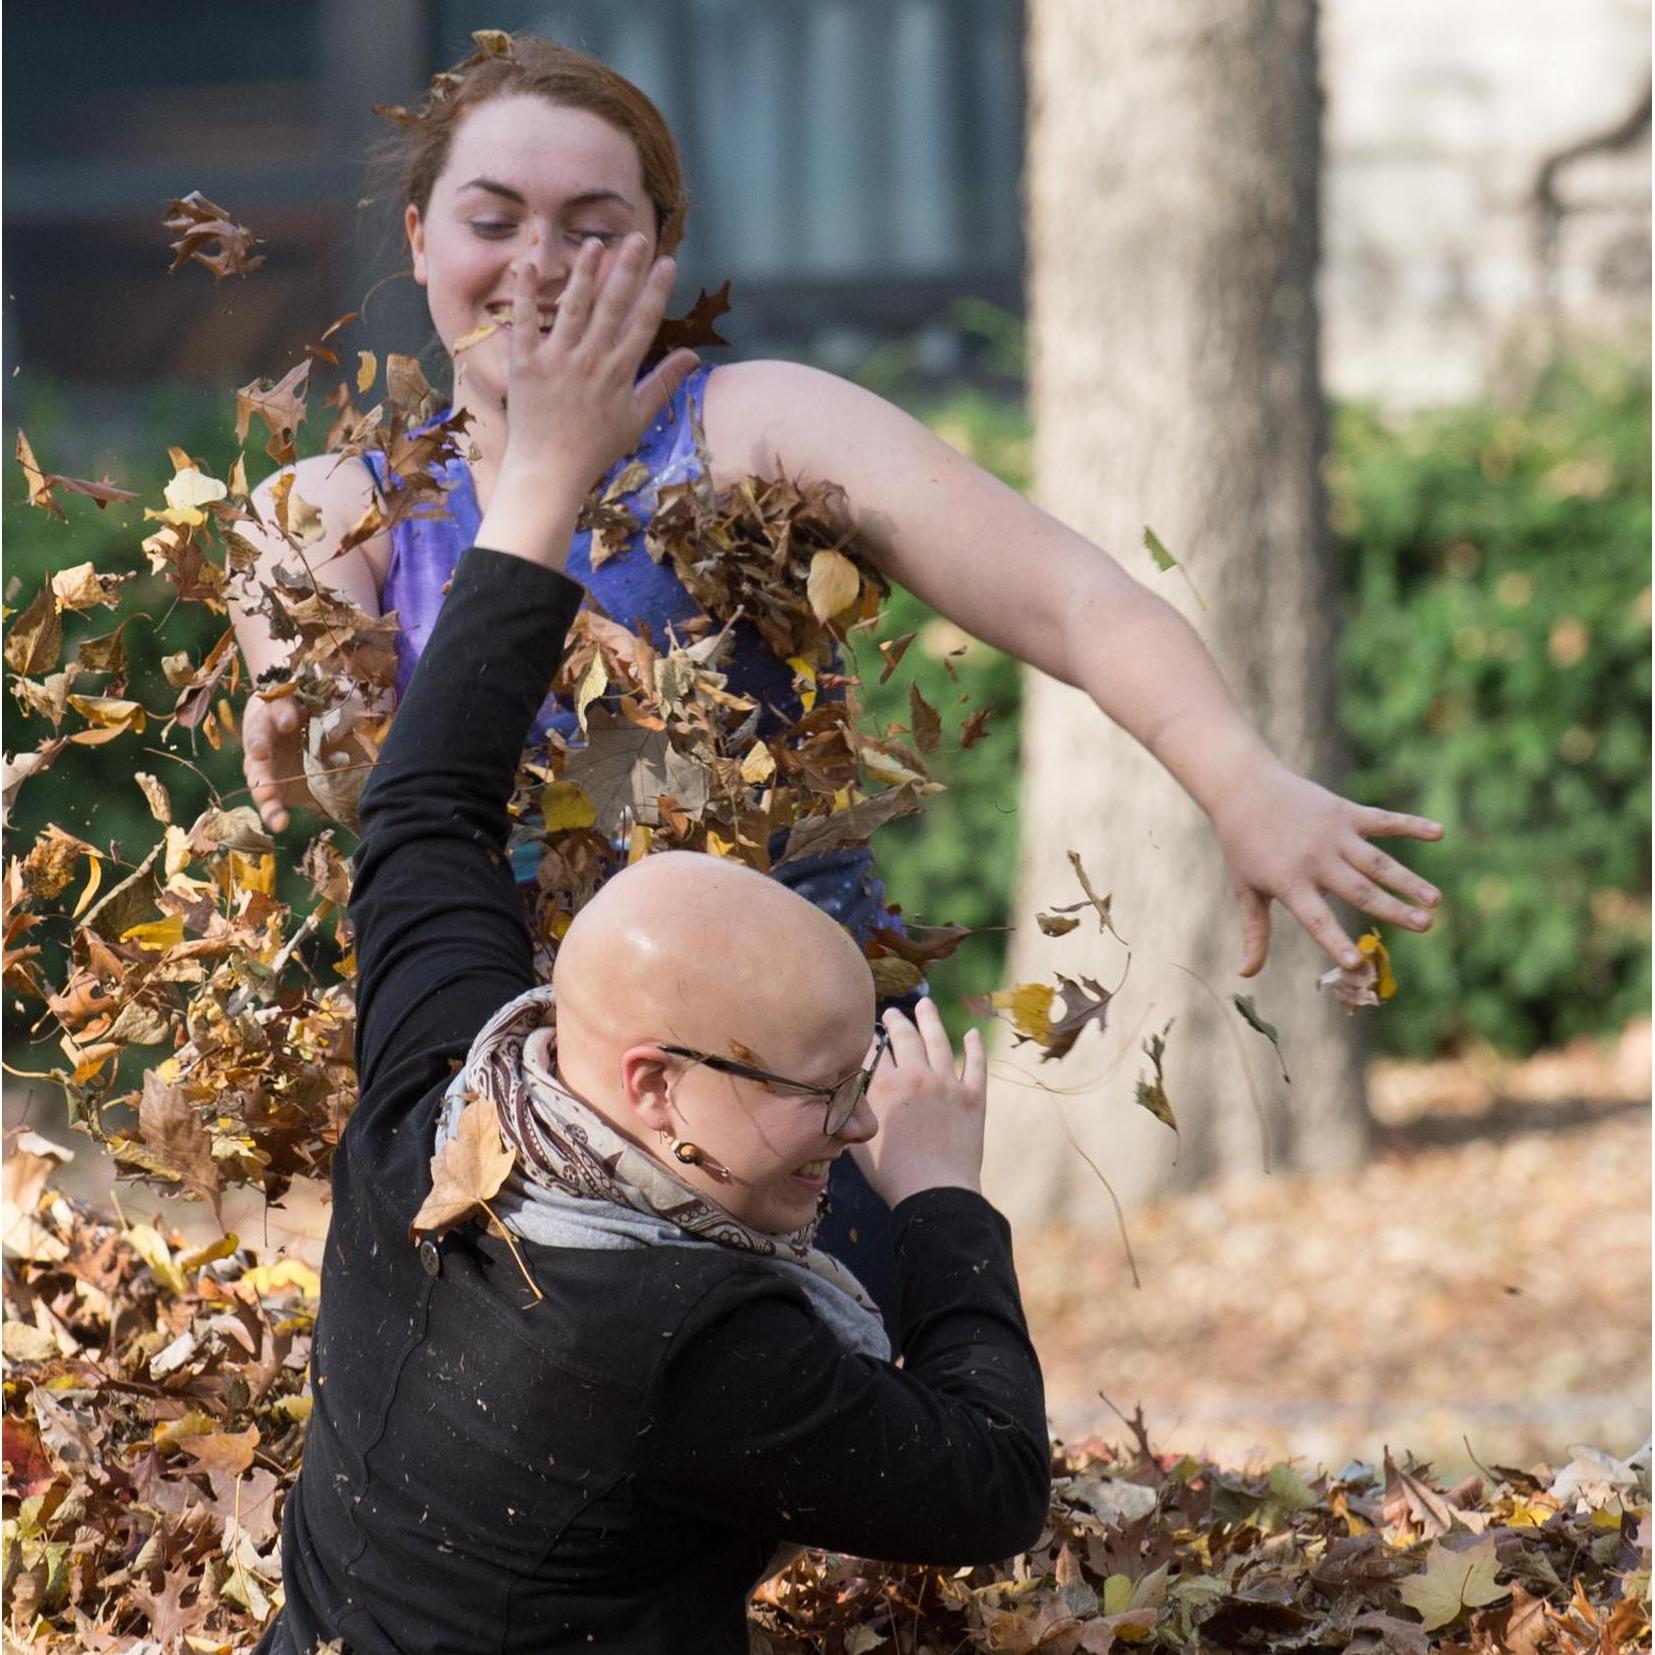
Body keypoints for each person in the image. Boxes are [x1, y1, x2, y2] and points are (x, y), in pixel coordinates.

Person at [227, 36, 1444, 1295]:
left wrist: (1237, 778)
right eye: (494, 220)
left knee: (844, 1455)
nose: (537, 265)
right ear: (421, 238)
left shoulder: (750, 431)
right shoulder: (321, 507)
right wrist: (304, 714)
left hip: (785, 1104)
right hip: (503, 1113)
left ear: (658, 256)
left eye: (592, 227)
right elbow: (341, 738)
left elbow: (1078, 598)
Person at [256, 233, 1049, 1655]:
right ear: (648, 1083)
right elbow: (985, 1483)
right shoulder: (687, 1336)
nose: (858, 1116)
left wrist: (544, 480)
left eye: (853, 1069)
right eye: (819, 1089)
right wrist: (936, 1204)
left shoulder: (436, 1094)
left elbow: (428, 803)